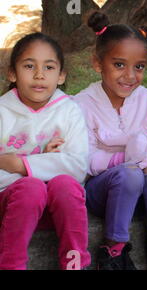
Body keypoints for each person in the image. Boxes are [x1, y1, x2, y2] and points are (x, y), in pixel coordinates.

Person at [74, 12, 147, 270]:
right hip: (103, 193)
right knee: (130, 173)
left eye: (139, 66)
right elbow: (83, 160)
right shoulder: (81, 104)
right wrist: (127, 158)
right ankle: (113, 249)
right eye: (119, 64)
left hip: (146, 194)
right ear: (98, 63)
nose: (130, 75)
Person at [0, 32, 90, 270]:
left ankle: (75, 264)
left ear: (61, 76)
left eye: (49, 67)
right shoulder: (2, 111)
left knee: (67, 184)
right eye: (29, 66)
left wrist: (21, 164)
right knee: (31, 188)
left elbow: (78, 167)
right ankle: (11, 265)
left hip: (57, 210)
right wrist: (47, 164)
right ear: (12, 73)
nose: (39, 75)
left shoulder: (69, 111)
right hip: (9, 207)